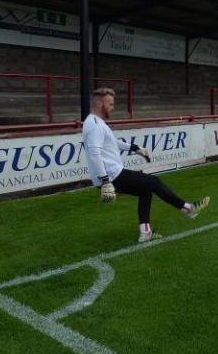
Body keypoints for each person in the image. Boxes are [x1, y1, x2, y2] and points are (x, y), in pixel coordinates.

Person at [82, 87, 210, 243]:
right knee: (153, 182)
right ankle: (189, 208)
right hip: (112, 175)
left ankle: (145, 232)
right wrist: (105, 181)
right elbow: (94, 154)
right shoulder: (95, 124)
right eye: (110, 104)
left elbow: (113, 143)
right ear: (100, 104)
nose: (113, 108)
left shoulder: (96, 123)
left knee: (145, 192)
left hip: (111, 174)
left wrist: (136, 149)